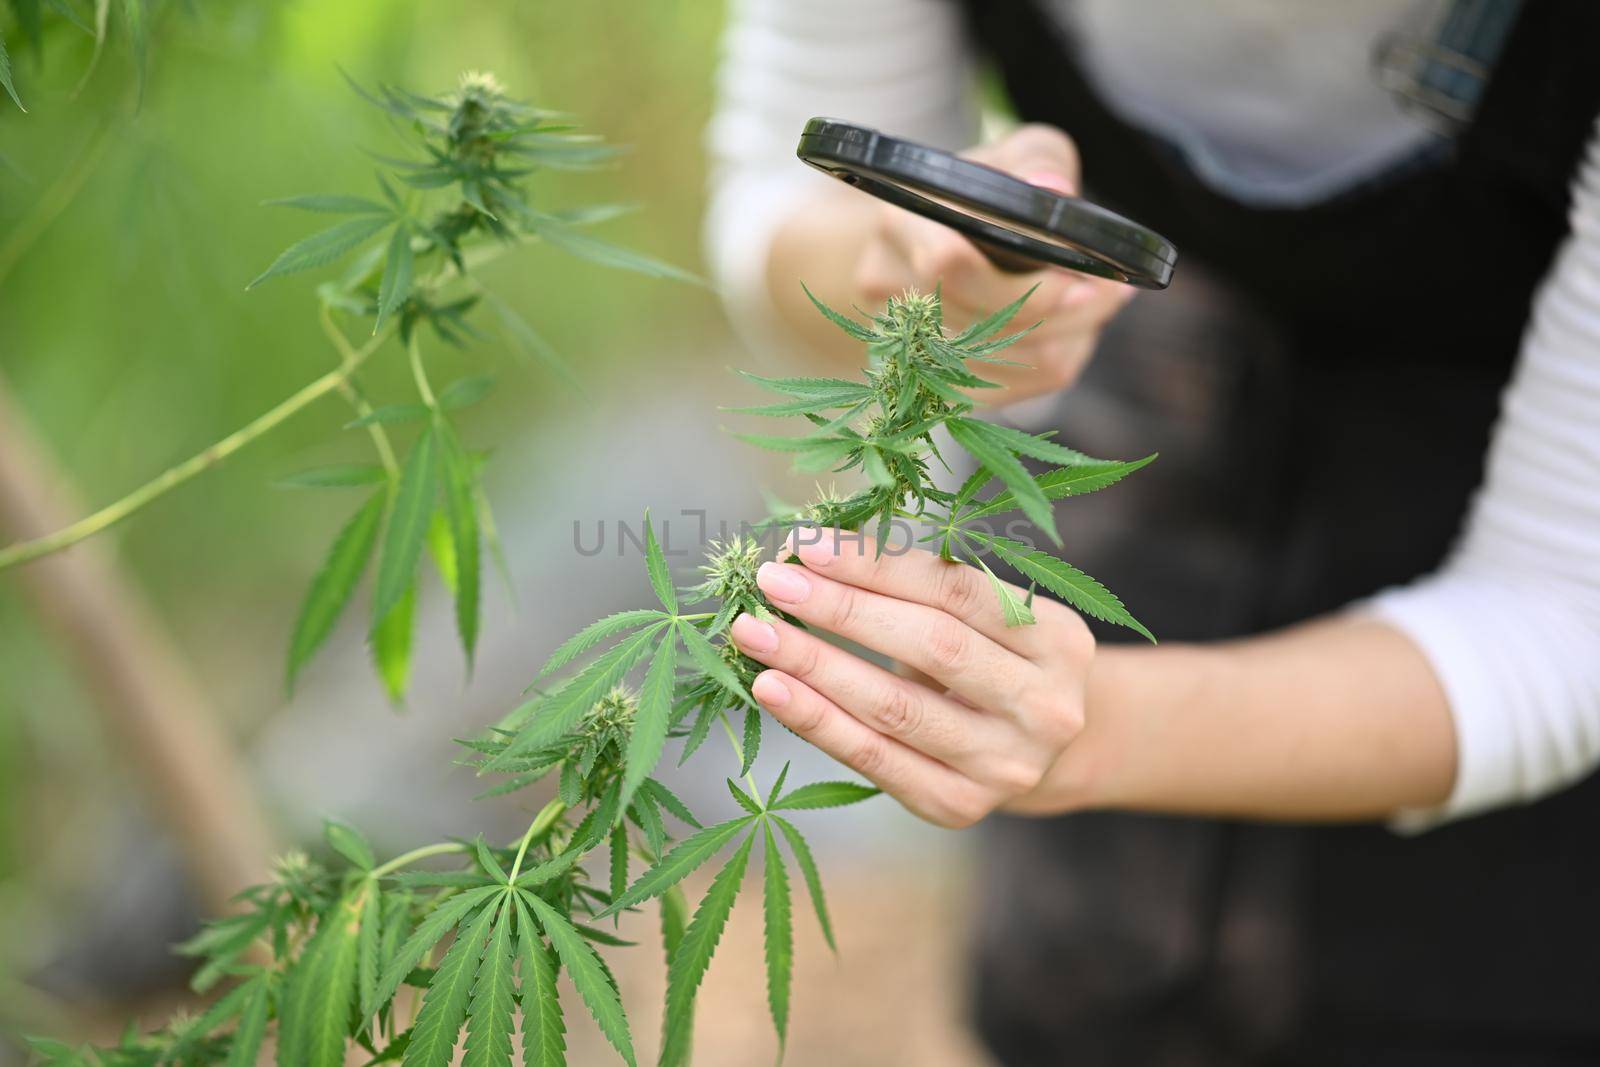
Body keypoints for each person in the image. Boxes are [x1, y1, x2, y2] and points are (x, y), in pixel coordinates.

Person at [705, 2, 1600, 1065]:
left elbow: (1562, 605)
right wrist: (908, 262)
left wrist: (1075, 730)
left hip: (1483, 763)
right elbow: (773, 198)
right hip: (1134, 500)